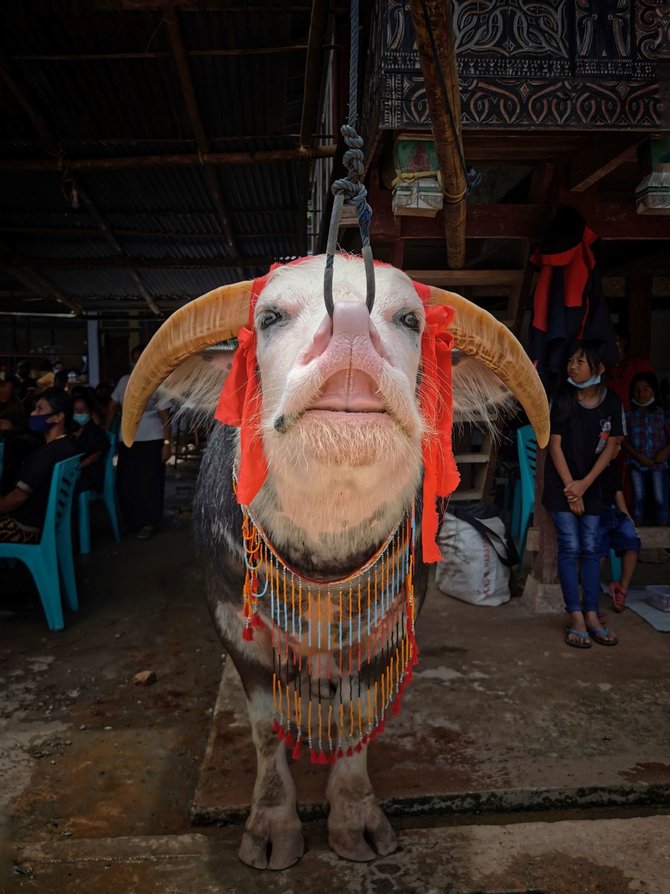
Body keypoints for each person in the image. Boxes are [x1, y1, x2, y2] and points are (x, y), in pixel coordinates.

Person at [543, 340, 622, 649]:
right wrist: (571, 490)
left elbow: (612, 447)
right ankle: (575, 615)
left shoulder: (612, 402)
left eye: (580, 361)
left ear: (598, 369)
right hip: (561, 483)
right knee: (571, 545)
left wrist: (583, 486)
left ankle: (592, 613)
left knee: (590, 547)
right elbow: (555, 446)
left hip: (593, 485)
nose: (572, 366)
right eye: (571, 361)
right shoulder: (562, 398)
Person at [105, 345, 171, 540]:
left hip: (152, 440)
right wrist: (105, 431)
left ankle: (149, 523)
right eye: (135, 359)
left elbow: (164, 415)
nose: (138, 363)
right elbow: (112, 406)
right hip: (127, 440)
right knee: (126, 483)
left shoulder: (159, 383)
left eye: (142, 358)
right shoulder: (125, 381)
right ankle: (133, 521)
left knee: (149, 483)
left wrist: (167, 443)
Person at [0, 388, 77, 543]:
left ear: (58, 417)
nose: (33, 414)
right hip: (43, 522)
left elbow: (17, 498)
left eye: (39, 409)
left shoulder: (47, 453)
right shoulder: (68, 446)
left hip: (24, 527)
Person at [623, 372, 670, 526]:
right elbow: (623, 440)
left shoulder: (663, 414)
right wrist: (638, 456)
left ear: (653, 391)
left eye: (646, 389)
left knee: (660, 499)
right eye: (637, 390)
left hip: (659, 464)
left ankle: (664, 540)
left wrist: (664, 452)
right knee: (638, 498)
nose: (641, 394)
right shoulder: (629, 415)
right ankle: (635, 538)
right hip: (636, 463)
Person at [597, 460, 641, 613]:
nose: (618, 448)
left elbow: (618, 492)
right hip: (594, 513)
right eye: (616, 444)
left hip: (613, 513)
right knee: (599, 551)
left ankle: (621, 588)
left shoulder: (611, 466)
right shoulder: (587, 460)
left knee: (632, 541)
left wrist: (627, 515)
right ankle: (590, 599)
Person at [604, 324, 655, 411]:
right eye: (606, 341)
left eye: (614, 340)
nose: (609, 345)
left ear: (623, 342)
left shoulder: (640, 365)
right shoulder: (599, 369)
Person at [71, 390, 107, 494]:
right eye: (76, 411)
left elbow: (96, 455)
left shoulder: (96, 431)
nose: (80, 414)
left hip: (89, 476)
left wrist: (78, 467)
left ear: (90, 412)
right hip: (74, 474)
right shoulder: (71, 430)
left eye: (83, 411)